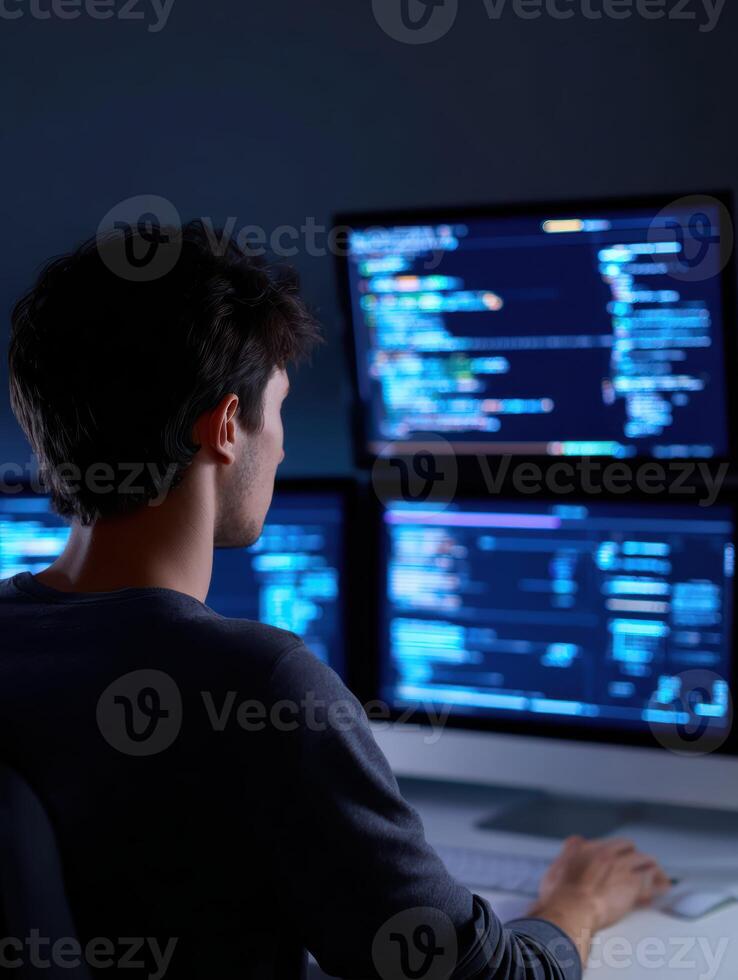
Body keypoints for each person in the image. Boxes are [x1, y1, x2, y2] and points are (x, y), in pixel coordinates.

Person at [0, 221, 669, 979]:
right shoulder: (258, 685)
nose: (281, 445)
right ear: (226, 428)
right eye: (277, 409)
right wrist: (576, 901)